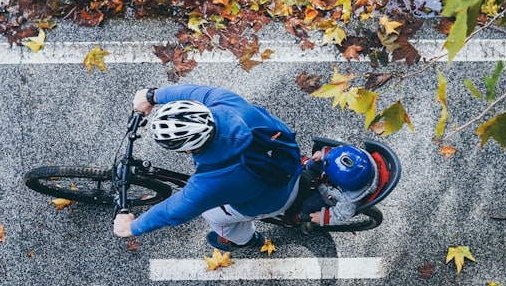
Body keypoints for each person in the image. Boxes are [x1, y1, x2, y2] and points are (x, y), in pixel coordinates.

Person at [112, 85, 301, 251]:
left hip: (276, 198)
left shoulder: (211, 182)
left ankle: (244, 240)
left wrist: (132, 227)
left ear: (188, 149)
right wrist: (152, 95)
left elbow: (174, 211)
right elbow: (191, 91)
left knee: (213, 215)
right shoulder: (225, 101)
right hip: (286, 158)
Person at [299, 145, 379, 226]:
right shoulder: (361, 160)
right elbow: (337, 153)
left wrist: (324, 217)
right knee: (314, 163)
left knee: (308, 205)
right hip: (328, 174)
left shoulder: (348, 202)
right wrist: (323, 155)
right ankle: (306, 164)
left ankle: (299, 217)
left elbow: (340, 215)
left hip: (325, 196)